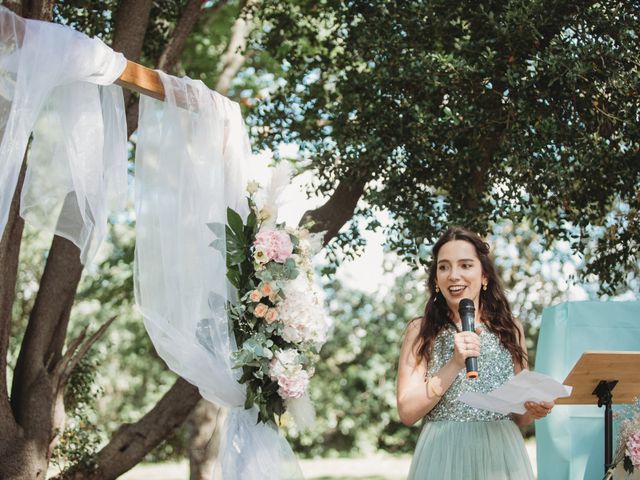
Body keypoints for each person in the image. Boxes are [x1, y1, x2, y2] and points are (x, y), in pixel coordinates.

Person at [397, 227, 553, 479]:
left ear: (484, 276)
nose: (454, 275)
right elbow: (407, 412)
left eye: (465, 265)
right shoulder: (421, 330)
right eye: (444, 267)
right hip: (443, 454)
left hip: (500, 454)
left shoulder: (511, 328)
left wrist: (533, 409)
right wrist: (455, 363)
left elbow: (521, 417)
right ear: (436, 280)